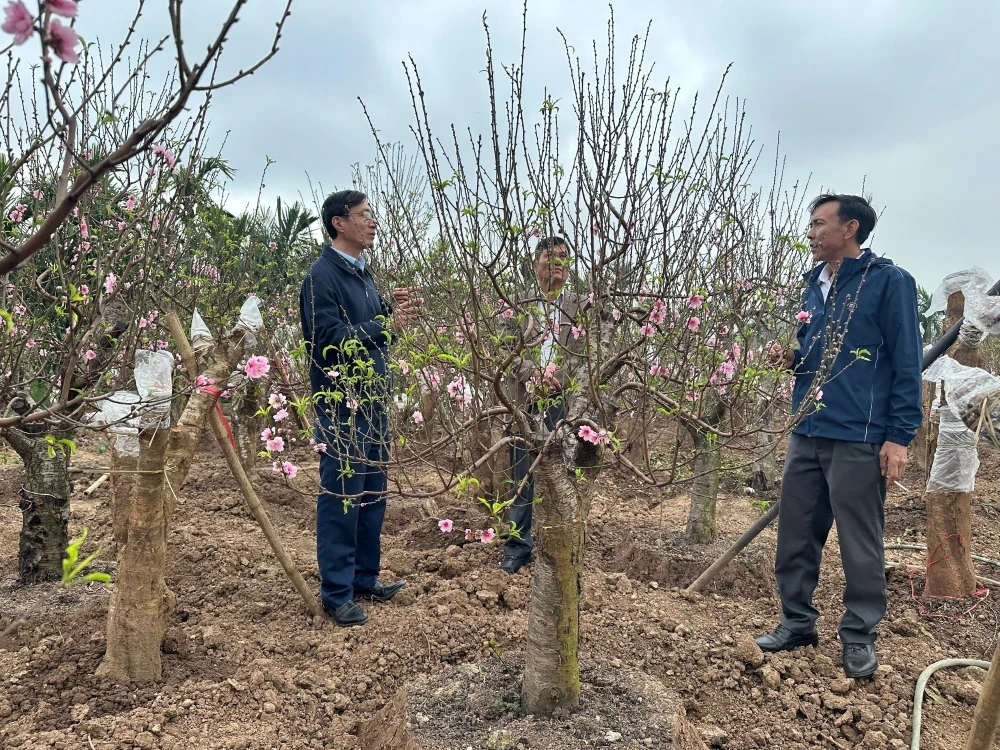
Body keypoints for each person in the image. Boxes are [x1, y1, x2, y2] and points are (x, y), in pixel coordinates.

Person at [756, 194, 922, 678]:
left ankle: (858, 634)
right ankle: (797, 622)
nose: (810, 232)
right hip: (808, 428)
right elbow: (821, 352)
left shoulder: (888, 283)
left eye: (817, 223)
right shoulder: (815, 284)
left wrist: (899, 437)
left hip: (859, 434)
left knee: (859, 542)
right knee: (796, 534)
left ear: (849, 228)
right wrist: (792, 357)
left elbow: (907, 363)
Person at [299, 189, 419, 627]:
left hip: (372, 403)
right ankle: (336, 593)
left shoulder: (362, 275)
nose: (372, 222)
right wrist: (384, 324)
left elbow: (366, 335)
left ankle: (364, 578)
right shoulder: (321, 277)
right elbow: (328, 340)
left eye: (372, 214)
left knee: (371, 495)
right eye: (364, 215)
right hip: (341, 407)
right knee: (341, 500)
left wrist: (391, 313)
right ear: (339, 222)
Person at [500, 236, 606, 574]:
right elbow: (503, 350)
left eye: (564, 258)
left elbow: (589, 355)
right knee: (522, 473)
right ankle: (518, 546)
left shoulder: (581, 307)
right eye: (550, 256)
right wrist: (534, 376)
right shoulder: (516, 305)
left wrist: (557, 379)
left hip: (566, 402)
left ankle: (558, 541)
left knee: (563, 472)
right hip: (524, 401)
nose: (557, 264)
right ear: (536, 264)